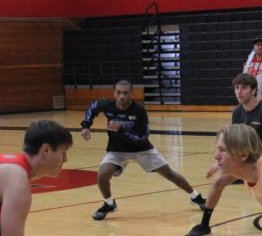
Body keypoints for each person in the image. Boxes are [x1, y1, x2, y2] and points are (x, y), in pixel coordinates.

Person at [81, 80, 205, 220]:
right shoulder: (107, 105)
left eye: (125, 93)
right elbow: (93, 106)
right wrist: (86, 125)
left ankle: (195, 197)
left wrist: (121, 131)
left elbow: (142, 137)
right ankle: (109, 204)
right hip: (117, 150)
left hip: (142, 149)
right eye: (119, 93)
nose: (122, 96)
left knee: (169, 174)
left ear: (131, 94)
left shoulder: (138, 111)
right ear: (114, 93)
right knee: (102, 175)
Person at [189, 73, 262, 236]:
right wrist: (220, 163)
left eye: (244, 88)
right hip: (246, 159)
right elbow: (234, 142)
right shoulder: (237, 112)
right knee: (219, 181)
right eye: (236, 88)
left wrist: (245, 163)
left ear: (254, 90)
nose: (239, 92)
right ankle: (204, 225)